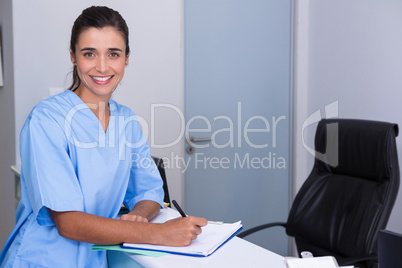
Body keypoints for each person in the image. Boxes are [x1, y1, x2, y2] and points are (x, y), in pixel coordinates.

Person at [0, 6, 207, 268]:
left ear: (127, 58)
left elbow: (149, 189)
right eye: (89, 53)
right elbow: (68, 222)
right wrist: (156, 234)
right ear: (73, 56)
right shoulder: (47, 120)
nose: (102, 66)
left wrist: (138, 216)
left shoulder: (127, 122)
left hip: (94, 258)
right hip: (44, 259)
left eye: (113, 54)